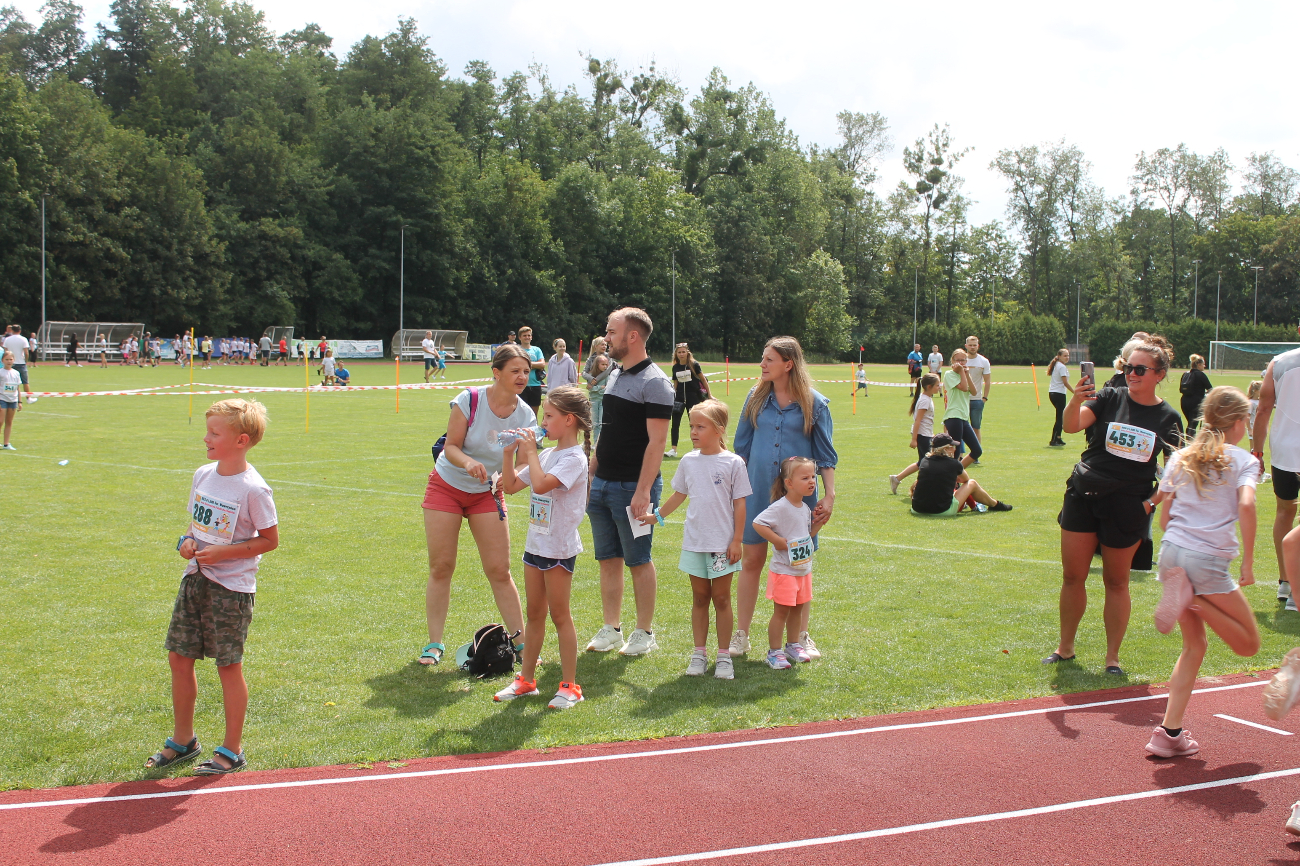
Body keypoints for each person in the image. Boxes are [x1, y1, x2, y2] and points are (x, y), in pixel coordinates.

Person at [145, 398, 279, 775]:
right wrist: (185, 543)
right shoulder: (203, 474)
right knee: (178, 657)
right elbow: (193, 528)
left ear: (241, 440)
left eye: (214, 433)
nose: (206, 438)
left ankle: (231, 750)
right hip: (195, 580)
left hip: (231, 590)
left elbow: (270, 540)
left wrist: (225, 554)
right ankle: (183, 740)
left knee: (228, 666)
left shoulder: (254, 489)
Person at [1046, 334, 1183, 674]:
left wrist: (1150, 505)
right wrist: (1074, 401)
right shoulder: (1109, 396)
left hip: (1128, 507)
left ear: (1159, 374)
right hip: (1084, 495)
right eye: (1127, 367)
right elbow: (1073, 425)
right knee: (1073, 576)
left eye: (1140, 369)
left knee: (1117, 582)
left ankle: (1112, 659)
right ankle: (1065, 648)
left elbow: (1177, 471)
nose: (1132, 374)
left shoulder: (1168, 417)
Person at [1144, 386, 1261, 758]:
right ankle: (1190, 599)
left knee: (1195, 645)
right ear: (1241, 422)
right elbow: (1247, 504)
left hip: (1172, 554)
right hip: (1205, 560)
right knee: (1248, 644)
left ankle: (1168, 733)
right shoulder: (1244, 460)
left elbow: (1163, 515)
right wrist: (1247, 561)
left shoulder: (1181, 457)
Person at [419, 344, 536, 666]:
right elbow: (451, 447)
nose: (522, 376)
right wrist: (469, 463)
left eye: (526, 371)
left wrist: (511, 476)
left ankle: (522, 645)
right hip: (447, 486)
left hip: (487, 493)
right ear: (496, 373)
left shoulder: (526, 414)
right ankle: (433, 644)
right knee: (442, 566)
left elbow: (526, 462)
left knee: (499, 570)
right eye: (515, 371)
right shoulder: (469, 400)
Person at [731, 336, 837, 660]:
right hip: (756, 491)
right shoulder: (754, 398)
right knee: (751, 561)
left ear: (788, 364)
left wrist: (829, 496)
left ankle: (800, 637)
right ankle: (742, 634)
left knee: (799, 563)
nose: (762, 365)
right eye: (763, 359)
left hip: (798, 502)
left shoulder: (815, 404)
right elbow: (742, 450)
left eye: (769, 360)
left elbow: (826, 457)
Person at [495, 385, 592, 710]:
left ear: (568, 420)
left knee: (559, 615)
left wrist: (531, 452)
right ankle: (526, 681)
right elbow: (509, 486)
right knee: (534, 614)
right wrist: (509, 453)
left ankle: (570, 686)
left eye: (548, 416)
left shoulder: (574, 458)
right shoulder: (549, 454)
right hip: (535, 545)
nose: (542, 422)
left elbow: (540, 483)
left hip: (559, 550)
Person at [584, 308, 673, 657]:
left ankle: (644, 632)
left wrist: (641, 491)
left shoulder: (655, 382)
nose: (606, 337)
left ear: (632, 336)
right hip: (603, 483)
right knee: (608, 558)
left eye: (611, 331)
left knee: (638, 559)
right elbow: (607, 431)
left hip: (633, 487)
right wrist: (592, 473)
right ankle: (611, 629)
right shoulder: (617, 373)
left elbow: (656, 442)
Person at [641, 399, 751, 679]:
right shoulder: (689, 461)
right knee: (700, 598)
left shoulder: (734, 463)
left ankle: (724, 656)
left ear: (719, 430)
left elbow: (740, 504)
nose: (693, 432)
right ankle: (699, 653)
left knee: (722, 598)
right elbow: (679, 494)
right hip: (695, 543)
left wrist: (737, 540)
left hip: (723, 546)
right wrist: (658, 516)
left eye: (700, 426)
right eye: (692, 426)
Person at [752, 456, 829, 669]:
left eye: (813, 476)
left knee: (797, 610)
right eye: (805, 477)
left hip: (803, 571)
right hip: (784, 572)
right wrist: (777, 541)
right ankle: (774, 652)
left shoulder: (804, 507)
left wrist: (818, 525)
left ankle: (793, 645)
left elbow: (806, 535)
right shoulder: (781, 507)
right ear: (789, 483)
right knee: (781, 612)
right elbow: (758, 523)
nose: (812, 481)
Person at [1252, 347, 1300, 611]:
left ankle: (1286, 582)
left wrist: (1257, 452)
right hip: (1286, 451)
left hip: (1284, 452)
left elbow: (1263, 409)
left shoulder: (1279, 361)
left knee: (1285, 511)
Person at [909, 433, 1012, 516]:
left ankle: (993, 504)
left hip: (917, 509)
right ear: (945, 449)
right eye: (952, 447)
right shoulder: (954, 463)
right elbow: (965, 480)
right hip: (942, 511)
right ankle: (995, 504)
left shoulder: (924, 461)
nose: (955, 449)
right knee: (972, 483)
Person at [890, 373, 940, 494]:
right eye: (937, 385)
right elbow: (918, 420)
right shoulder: (924, 400)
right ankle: (920, 489)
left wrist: (931, 434)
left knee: (922, 462)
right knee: (927, 464)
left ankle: (897, 479)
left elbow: (926, 420)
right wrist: (914, 439)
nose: (939, 387)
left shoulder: (927, 398)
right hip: (922, 436)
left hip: (925, 434)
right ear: (929, 386)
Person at [667, 343, 709, 459]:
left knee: (695, 424)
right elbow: (675, 384)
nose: (681, 354)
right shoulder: (675, 367)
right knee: (675, 424)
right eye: (679, 352)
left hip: (693, 397)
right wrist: (672, 397)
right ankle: (673, 450)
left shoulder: (694, 365)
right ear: (676, 354)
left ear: (687, 352)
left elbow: (703, 380)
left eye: (683, 352)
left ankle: (696, 448)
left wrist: (709, 394)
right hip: (679, 398)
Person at [942, 349, 981, 467]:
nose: (961, 362)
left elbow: (974, 392)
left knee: (977, 450)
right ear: (952, 361)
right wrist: (962, 372)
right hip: (953, 415)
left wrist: (967, 374)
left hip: (963, 417)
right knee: (956, 451)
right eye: (958, 360)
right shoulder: (949, 374)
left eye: (963, 360)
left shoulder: (964, 374)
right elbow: (964, 388)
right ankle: (953, 480)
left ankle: (956, 473)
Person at [964, 335, 991, 440]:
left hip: (977, 400)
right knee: (961, 428)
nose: (972, 347)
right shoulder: (962, 360)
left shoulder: (983, 361)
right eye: (970, 345)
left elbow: (987, 381)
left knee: (976, 428)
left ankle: (975, 454)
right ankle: (960, 455)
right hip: (962, 399)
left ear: (978, 346)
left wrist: (984, 398)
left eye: (974, 345)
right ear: (966, 346)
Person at [1180, 354, 1213, 436]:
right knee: (1193, 425)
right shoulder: (1201, 375)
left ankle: (1188, 440)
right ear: (1198, 365)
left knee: (1190, 423)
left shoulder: (1186, 374)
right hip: (1196, 402)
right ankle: (1190, 442)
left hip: (1184, 401)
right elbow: (1210, 389)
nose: (1204, 366)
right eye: (1203, 364)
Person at [1047, 348, 1074, 447]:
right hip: (1059, 394)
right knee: (1060, 417)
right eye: (1065, 356)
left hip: (1053, 393)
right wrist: (1074, 392)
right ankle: (1054, 440)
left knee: (1061, 416)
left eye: (1068, 355)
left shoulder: (1057, 365)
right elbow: (1065, 383)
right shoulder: (1061, 367)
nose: (1067, 357)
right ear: (1059, 356)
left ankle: (1058, 437)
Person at [2, 326, 35, 403]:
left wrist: (6, 360)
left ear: (12, 330)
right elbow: (26, 352)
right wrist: (26, 360)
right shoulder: (23, 339)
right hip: (21, 363)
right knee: (25, 382)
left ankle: (7, 398)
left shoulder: (7, 339)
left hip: (9, 363)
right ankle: (28, 398)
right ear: (20, 330)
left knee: (8, 381)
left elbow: (5, 351)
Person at [518, 326, 545, 411]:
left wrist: (525, 365)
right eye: (524, 335)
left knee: (534, 414)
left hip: (535, 385)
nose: (527, 337)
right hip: (520, 384)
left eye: (529, 335)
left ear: (531, 337)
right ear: (520, 337)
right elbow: (516, 365)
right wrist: (533, 365)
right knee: (520, 412)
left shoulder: (536, 350)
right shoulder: (517, 350)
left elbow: (542, 364)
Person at [1, 350, 22, 449]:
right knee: (0, 421)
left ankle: (6, 443)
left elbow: (18, 388)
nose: (9, 361)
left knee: (9, 422)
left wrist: (20, 401)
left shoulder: (16, 373)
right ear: (2, 360)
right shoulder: (1, 372)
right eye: (7, 359)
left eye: (11, 359)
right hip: (2, 399)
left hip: (12, 400)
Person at [588, 353, 611, 445]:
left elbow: (606, 388)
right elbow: (590, 389)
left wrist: (596, 389)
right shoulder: (591, 375)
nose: (605, 367)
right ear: (597, 365)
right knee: (595, 423)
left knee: (602, 423)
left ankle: (600, 443)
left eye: (606, 364)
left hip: (602, 401)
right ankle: (595, 443)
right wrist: (599, 388)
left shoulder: (607, 376)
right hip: (593, 401)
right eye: (603, 364)